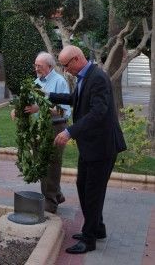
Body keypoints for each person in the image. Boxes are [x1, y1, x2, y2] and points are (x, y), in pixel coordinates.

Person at [50, 45, 126, 255]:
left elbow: (98, 112)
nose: (66, 71)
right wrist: (49, 96)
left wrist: (69, 132)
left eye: (66, 66)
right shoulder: (87, 76)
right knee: (84, 186)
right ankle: (97, 227)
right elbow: (77, 99)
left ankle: (89, 238)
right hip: (91, 146)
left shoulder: (98, 78)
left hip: (102, 147)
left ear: (76, 59)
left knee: (92, 192)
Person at [19, 51, 71, 213]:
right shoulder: (36, 82)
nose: (36, 68)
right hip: (39, 127)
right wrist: (18, 109)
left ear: (49, 66)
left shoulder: (59, 82)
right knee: (41, 163)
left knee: (52, 165)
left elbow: (64, 111)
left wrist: (39, 107)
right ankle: (57, 193)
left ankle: (50, 202)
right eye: (35, 65)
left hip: (56, 126)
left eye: (39, 66)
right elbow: (28, 103)